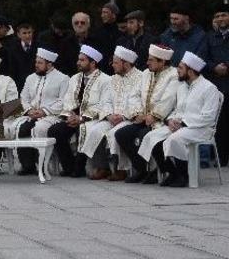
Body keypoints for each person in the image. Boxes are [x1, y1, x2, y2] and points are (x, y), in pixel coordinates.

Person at [140, 52, 222, 187]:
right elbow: (176, 110)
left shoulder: (209, 88)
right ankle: (173, 173)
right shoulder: (182, 86)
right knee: (151, 137)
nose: (177, 70)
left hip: (201, 128)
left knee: (174, 139)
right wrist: (170, 120)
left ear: (190, 71)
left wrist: (183, 123)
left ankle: (184, 175)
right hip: (180, 125)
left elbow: (208, 117)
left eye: (180, 68)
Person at [114, 44, 178, 183]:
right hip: (143, 118)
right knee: (121, 134)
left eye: (151, 60)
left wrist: (154, 115)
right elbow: (134, 95)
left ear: (162, 61)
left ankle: (160, 171)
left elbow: (169, 99)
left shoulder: (173, 75)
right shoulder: (146, 74)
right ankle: (142, 169)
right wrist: (138, 113)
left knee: (144, 136)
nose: (147, 62)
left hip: (163, 120)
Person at [46, 45, 110, 177]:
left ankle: (79, 167)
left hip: (92, 119)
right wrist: (70, 116)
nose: (78, 62)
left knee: (83, 129)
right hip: (73, 117)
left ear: (93, 63)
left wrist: (82, 118)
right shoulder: (75, 78)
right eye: (78, 59)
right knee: (55, 130)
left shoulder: (105, 80)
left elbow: (102, 104)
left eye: (82, 60)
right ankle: (69, 166)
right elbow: (68, 99)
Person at [81, 46, 143, 181]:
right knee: (95, 130)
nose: (112, 65)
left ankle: (122, 169)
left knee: (115, 134)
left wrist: (123, 116)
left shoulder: (141, 78)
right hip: (111, 117)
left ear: (126, 64)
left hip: (129, 118)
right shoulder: (113, 78)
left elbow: (138, 102)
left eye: (115, 62)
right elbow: (106, 101)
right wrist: (109, 115)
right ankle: (103, 167)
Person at [9, 48, 69, 176]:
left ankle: (43, 164)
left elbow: (63, 101)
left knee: (40, 128)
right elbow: (23, 97)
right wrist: (29, 110)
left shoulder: (63, 79)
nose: (36, 65)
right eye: (36, 62)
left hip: (51, 116)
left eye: (40, 63)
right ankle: (28, 166)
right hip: (31, 114)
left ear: (50, 64)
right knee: (19, 128)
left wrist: (44, 111)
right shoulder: (30, 78)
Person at [208, 3, 229, 166]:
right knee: (220, 123)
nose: (220, 18)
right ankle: (221, 158)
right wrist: (214, 66)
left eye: (224, 15)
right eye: (217, 16)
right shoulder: (210, 37)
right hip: (218, 85)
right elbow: (203, 58)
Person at [5, 23, 37, 90]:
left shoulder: (39, 47)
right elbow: (12, 70)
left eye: (29, 32)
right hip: (20, 85)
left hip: (36, 84)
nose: (27, 36)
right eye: (24, 33)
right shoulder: (12, 49)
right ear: (19, 34)